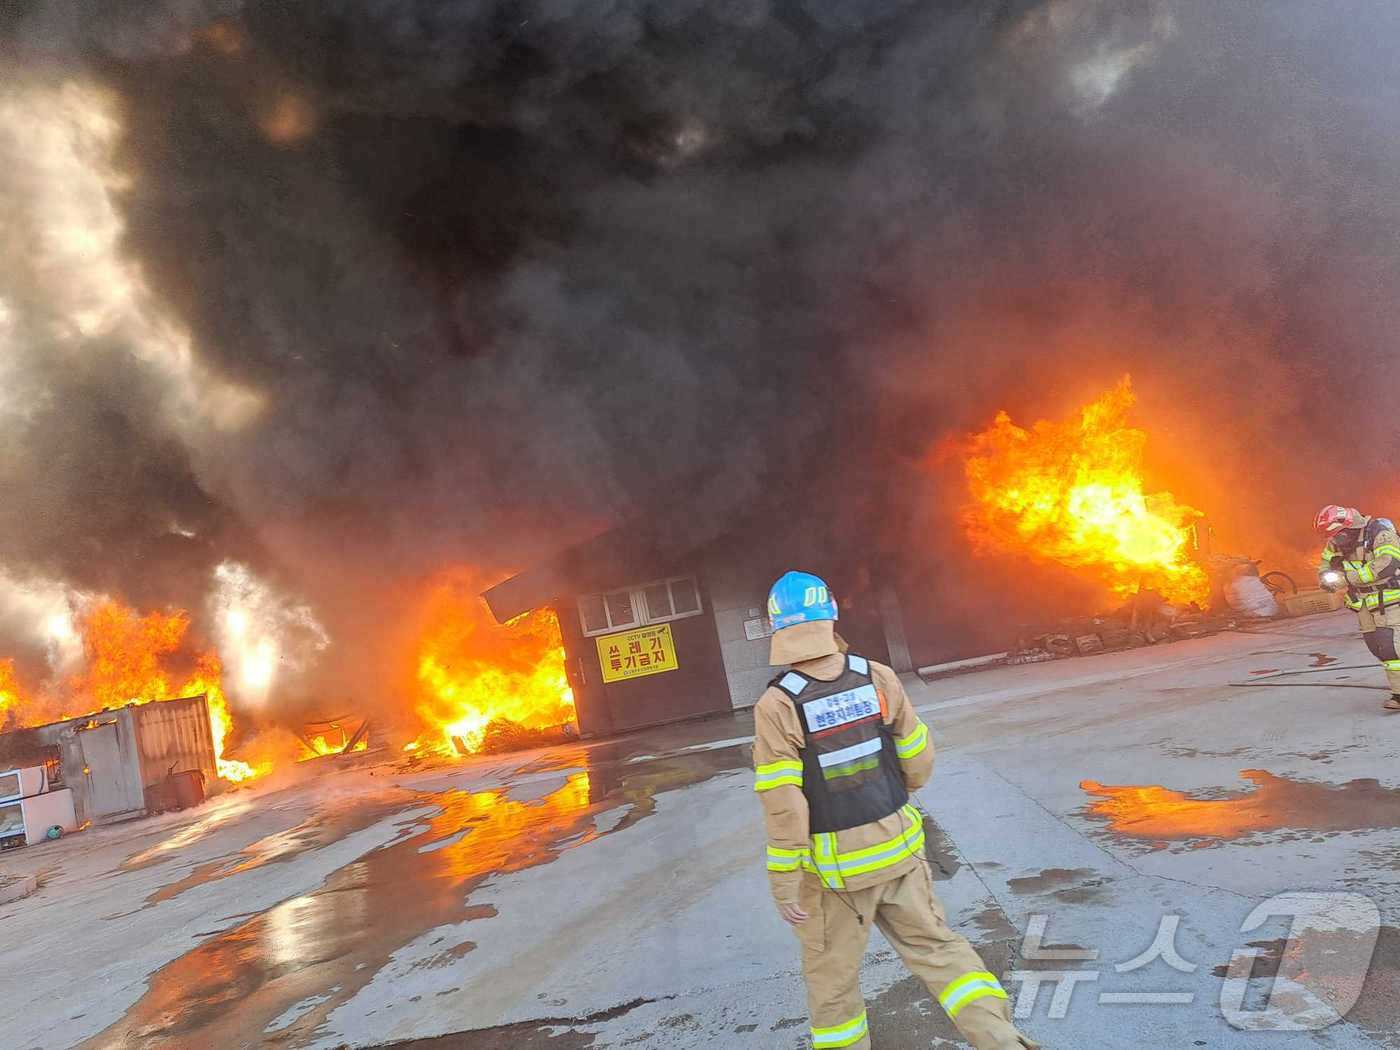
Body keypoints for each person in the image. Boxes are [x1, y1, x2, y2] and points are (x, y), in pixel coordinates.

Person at [752, 571, 1037, 1050]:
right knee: (942, 953)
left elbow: (785, 807)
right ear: (831, 615)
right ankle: (1002, 1040)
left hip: (834, 878)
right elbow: (919, 760)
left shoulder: (777, 704)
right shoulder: (877, 676)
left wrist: (784, 883)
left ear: (777, 627)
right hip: (901, 852)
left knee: (833, 989)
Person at [1316, 505, 1400, 711]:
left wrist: (1348, 578)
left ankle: (1399, 696)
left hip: (1390, 598)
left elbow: (1387, 564)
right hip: (1363, 604)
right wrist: (1325, 578)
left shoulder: (1379, 532)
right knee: (1376, 647)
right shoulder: (1336, 541)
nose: (1334, 541)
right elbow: (1324, 564)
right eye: (1331, 536)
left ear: (1348, 526)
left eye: (1337, 535)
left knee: (1390, 647)